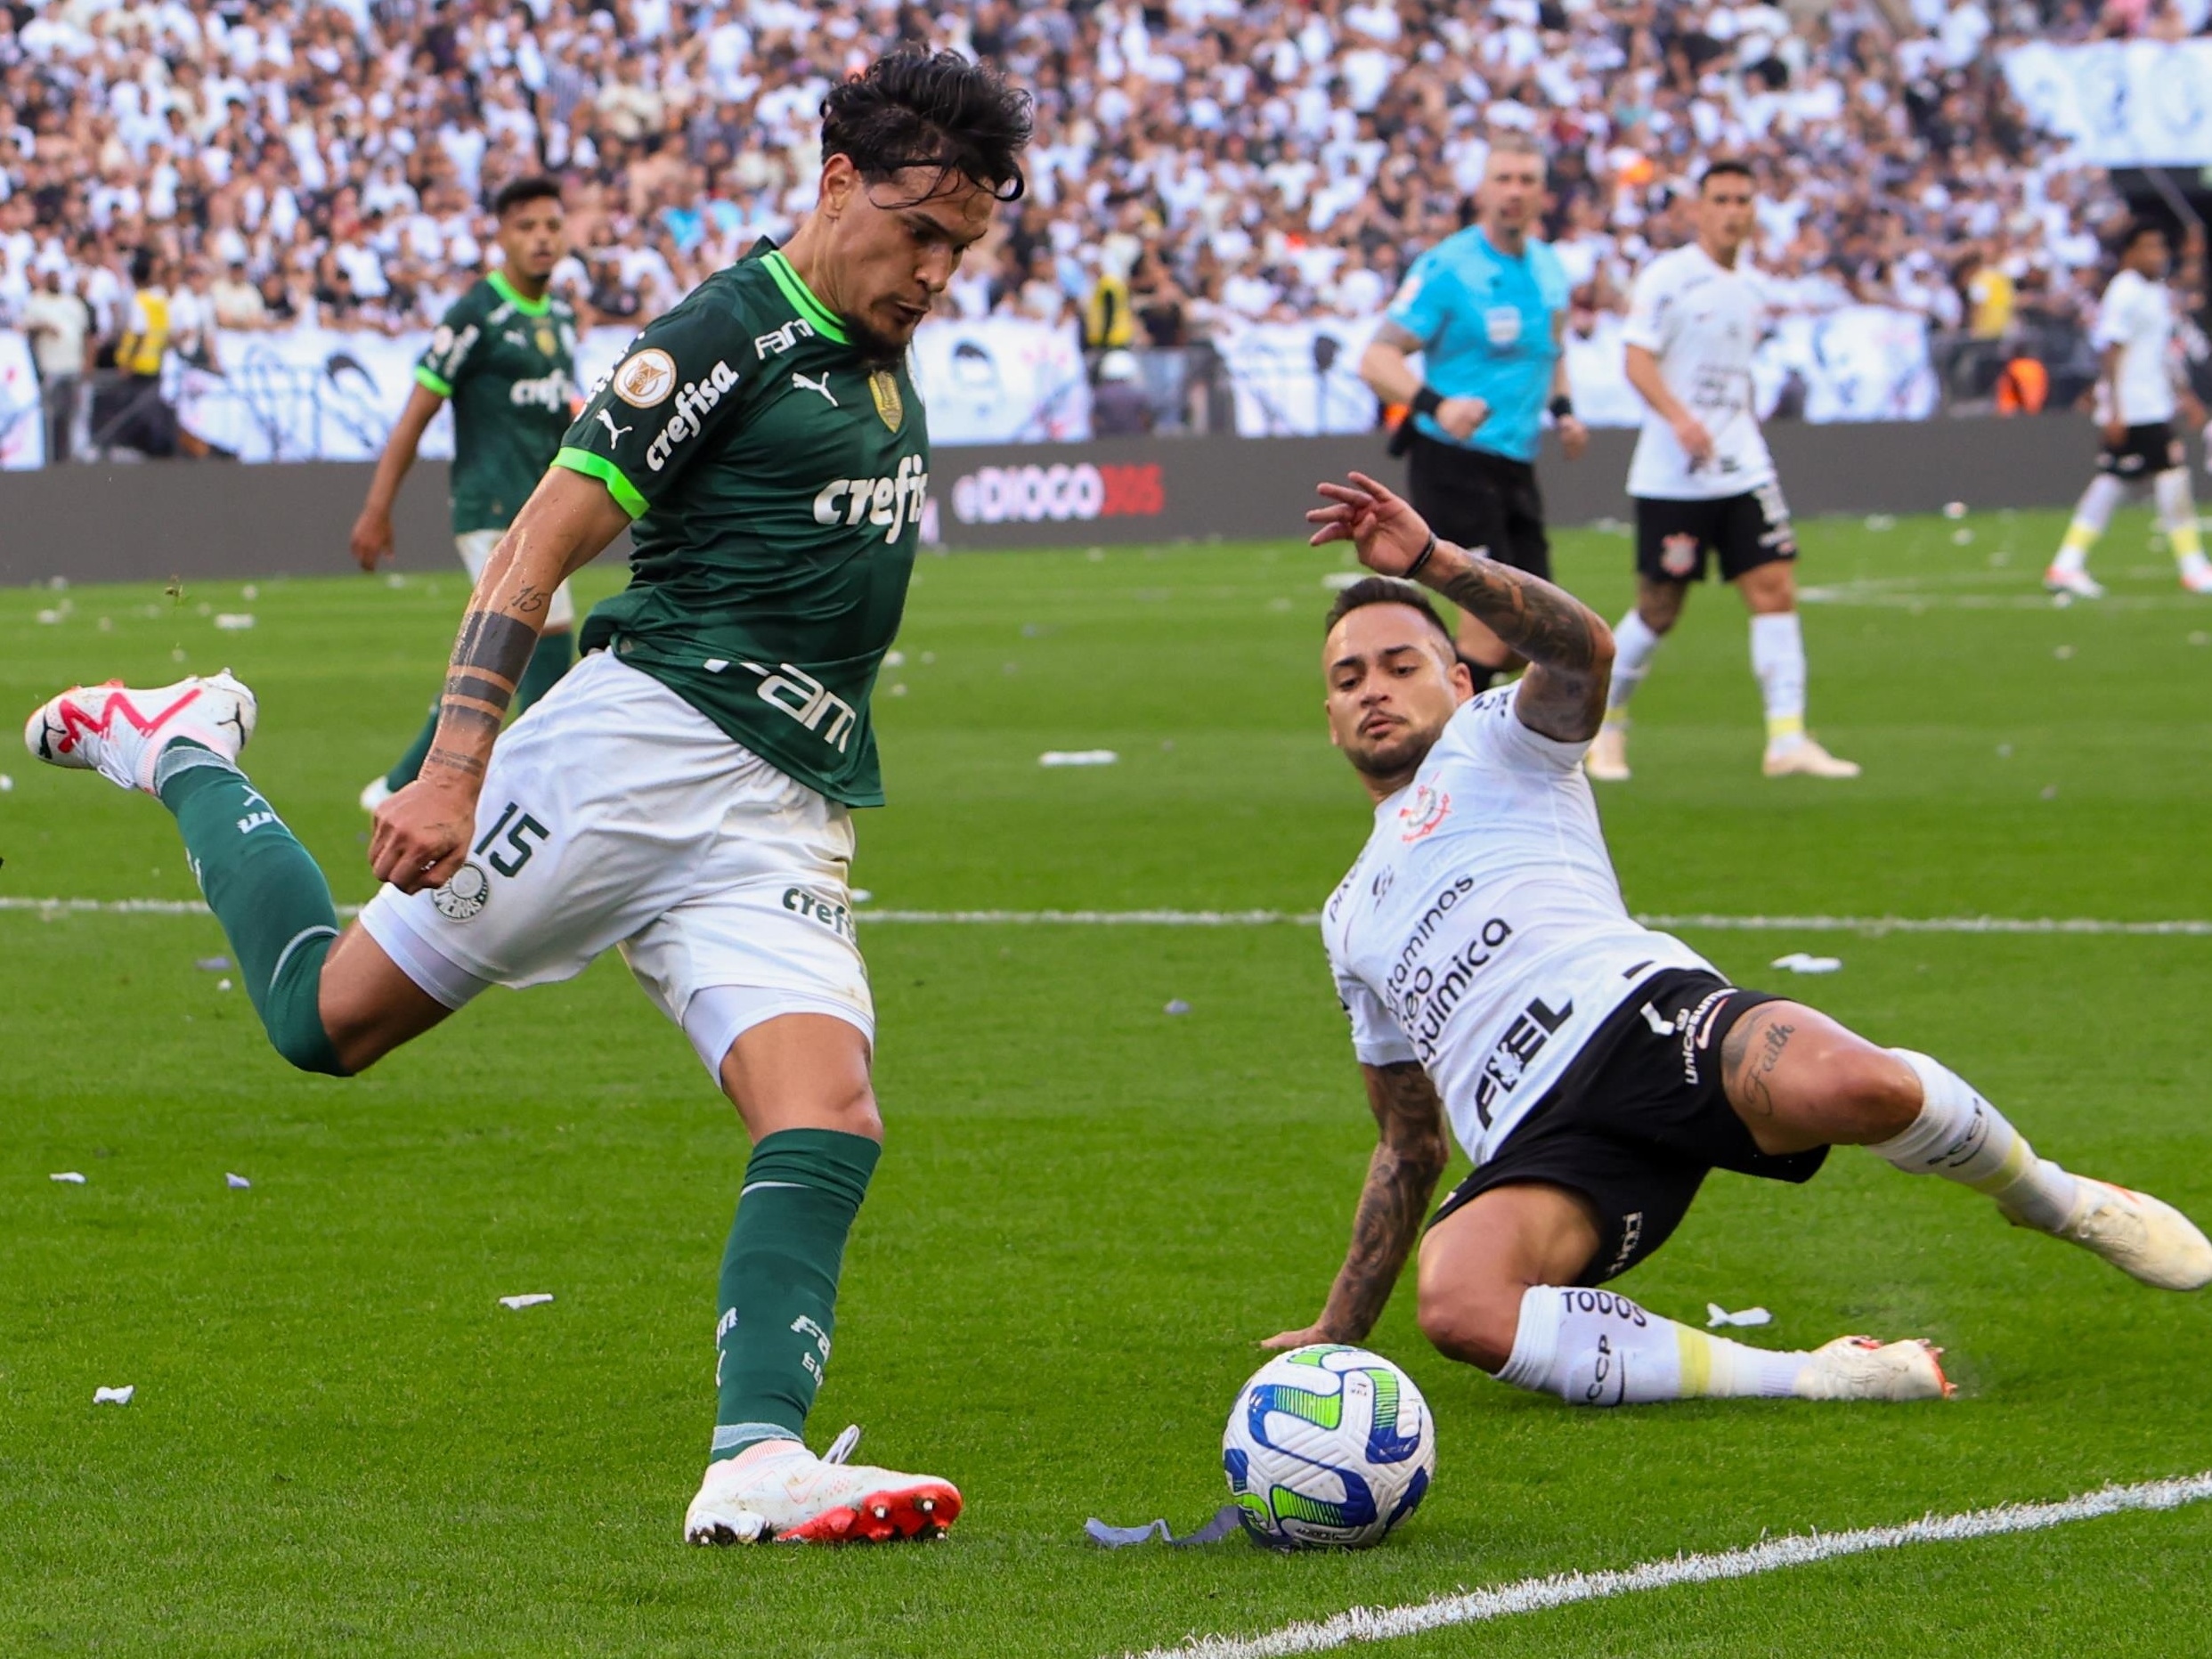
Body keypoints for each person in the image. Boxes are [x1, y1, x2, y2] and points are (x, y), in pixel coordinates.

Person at [25, 48, 1034, 1547]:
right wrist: (451, 764)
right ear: (836, 184)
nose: (939, 269)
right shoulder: (716, 335)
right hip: (633, 758)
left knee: (825, 1113)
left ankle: (756, 1452)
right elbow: (529, 555)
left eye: (964, 243)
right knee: (324, 1020)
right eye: (920, 232)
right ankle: (179, 744)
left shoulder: (872, 338)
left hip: (780, 802)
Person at [1265, 468, 2212, 1411]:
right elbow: (1408, 1142)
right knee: (1461, 1305)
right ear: (1331, 719)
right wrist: (1337, 1332)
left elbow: (1586, 651)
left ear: (1459, 677)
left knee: (1864, 1086)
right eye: (1349, 678)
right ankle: (1822, 1376)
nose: (1374, 690)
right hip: (1538, 1145)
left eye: (1401, 664)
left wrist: (1434, 561)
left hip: (1643, 1022)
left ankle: (2056, 1201)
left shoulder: (1494, 738)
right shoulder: (1346, 915)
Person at [1589, 160, 1858, 783]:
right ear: (1698, 209)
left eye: (1743, 199)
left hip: (1742, 465)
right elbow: (1636, 361)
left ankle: (1787, 738)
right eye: (1722, 199)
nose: (1734, 210)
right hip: (1674, 473)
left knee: (1775, 588)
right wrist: (1680, 418)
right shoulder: (1669, 278)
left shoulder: (1751, 286)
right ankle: (1605, 727)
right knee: (1659, 609)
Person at [351, 177, 582, 813]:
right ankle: (548, 799)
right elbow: (417, 413)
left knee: (511, 655)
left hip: (543, 511)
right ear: (501, 236)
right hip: (491, 507)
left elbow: (556, 412)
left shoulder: (559, 315)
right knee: (543, 647)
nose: (542, 238)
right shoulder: (475, 313)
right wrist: (378, 507)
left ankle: (404, 784)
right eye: (527, 226)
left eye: (551, 226)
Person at [1358, 131, 1589, 691]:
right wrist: (1438, 405)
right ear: (1482, 189)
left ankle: (1456, 739)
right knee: (1492, 631)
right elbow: (1376, 358)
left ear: (1543, 194)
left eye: (1526, 180)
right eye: (1503, 179)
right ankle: (1450, 763)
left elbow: (1551, 351)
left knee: (1539, 633)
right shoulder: (1448, 266)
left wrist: (1563, 411)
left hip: (1515, 463)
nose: (1514, 191)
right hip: (1452, 461)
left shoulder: (1550, 268)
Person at [2043, 222, 2212, 600]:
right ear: (2129, 253)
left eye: (2161, 249)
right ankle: (2193, 566)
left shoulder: (2153, 291)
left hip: (2152, 399)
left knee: (2113, 480)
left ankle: (2066, 563)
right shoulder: (2124, 291)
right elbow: (2111, 350)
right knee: (2172, 474)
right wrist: (2115, 408)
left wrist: (2182, 394)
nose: (2158, 256)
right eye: (2149, 248)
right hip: (2136, 406)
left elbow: (2157, 351)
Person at [20, 264, 90, 464]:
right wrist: (44, 326)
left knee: (74, 413)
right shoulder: (36, 302)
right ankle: (50, 457)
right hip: (50, 367)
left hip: (73, 366)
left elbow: (87, 335)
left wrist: (87, 362)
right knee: (50, 414)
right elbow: (25, 327)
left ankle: (71, 455)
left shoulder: (73, 303)